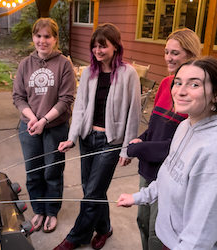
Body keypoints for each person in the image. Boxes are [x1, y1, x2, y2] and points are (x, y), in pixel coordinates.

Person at [118, 56, 217, 249]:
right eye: (178, 83)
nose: (180, 91)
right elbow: (169, 174)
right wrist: (139, 197)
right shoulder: (185, 125)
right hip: (168, 239)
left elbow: (200, 235)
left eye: (194, 85)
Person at [53, 23, 141, 250]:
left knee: (91, 193)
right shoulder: (89, 73)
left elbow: (134, 112)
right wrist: (72, 138)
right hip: (87, 138)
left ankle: (75, 238)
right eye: (94, 46)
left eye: (103, 46)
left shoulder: (128, 73)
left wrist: (126, 149)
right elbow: (80, 108)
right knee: (92, 189)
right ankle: (104, 229)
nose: (98, 51)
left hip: (110, 142)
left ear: (115, 47)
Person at [126, 28, 200, 250]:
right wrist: (141, 139)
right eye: (167, 51)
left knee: (158, 232)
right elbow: (154, 128)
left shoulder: (196, 96)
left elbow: (181, 146)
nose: (168, 57)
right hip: (148, 168)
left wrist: (141, 149)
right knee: (142, 220)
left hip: (171, 175)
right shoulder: (166, 83)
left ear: (191, 55)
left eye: (175, 53)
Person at [12, 17, 76, 233]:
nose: (42, 40)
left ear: (55, 39)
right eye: (38, 36)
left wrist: (44, 120)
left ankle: (51, 211)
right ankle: (38, 210)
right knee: (33, 171)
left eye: (47, 36)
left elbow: (66, 98)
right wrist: (32, 118)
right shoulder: (25, 64)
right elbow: (18, 97)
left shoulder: (64, 64)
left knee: (52, 171)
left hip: (55, 127)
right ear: (33, 38)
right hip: (29, 127)